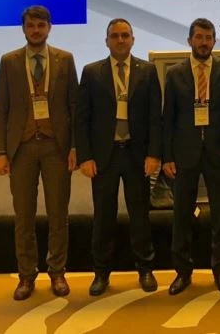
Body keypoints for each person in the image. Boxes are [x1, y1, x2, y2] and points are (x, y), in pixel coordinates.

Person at [0, 5, 78, 300]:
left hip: (57, 148)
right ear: (24, 29)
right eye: (31, 26)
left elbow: (74, 107)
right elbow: (2, 109)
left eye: (41, 25)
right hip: (22, 148)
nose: (36, 30)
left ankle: (57, 272)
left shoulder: (65, 59)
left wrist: (75, 146)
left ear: (49, 28)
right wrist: (0, 150)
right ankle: (26, 275)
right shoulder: (9, 61)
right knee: (24, 216)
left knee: (58, 214)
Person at [76, 18, 161, 296]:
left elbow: (155, 117)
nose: (120, 40)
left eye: (125, 35)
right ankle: (101, 272)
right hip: (105, 156)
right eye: (115, 36)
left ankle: (145, 268)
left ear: (133, 39)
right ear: (107, 41)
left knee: (140, 215)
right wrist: (85, 157)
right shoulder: (92, 72)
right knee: (104, 216)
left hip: (137, 155)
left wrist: (154, 154)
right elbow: (82, 119)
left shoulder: (147, 71)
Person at [162, 18, 220, 295]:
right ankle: (183, 272)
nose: (204, 43)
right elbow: (168, 118)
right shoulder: (175, 73)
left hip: (219, 152)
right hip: (185, 154)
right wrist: (167, 156)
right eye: (199, 38)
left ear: (214, 41)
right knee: (182, 214)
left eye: (208, 38)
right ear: (189, 40)